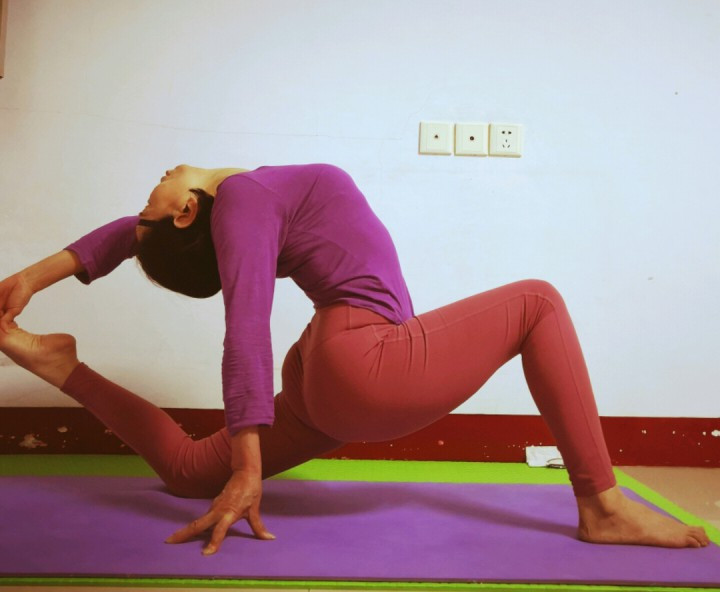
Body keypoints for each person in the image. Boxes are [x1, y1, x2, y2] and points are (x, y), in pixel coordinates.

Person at [0, 164, 709, 556]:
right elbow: (244, 328)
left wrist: (29, 279)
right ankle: (603, 504)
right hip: (362, 362)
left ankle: (60, 365)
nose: (149, 187)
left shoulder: (240, 209)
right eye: (151, 202)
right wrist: (247, 469)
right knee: (539, 302)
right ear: (185, 211)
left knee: (188, 472)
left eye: (144, 206)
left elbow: (131, 235)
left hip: (330, 376)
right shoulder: (244, 195)